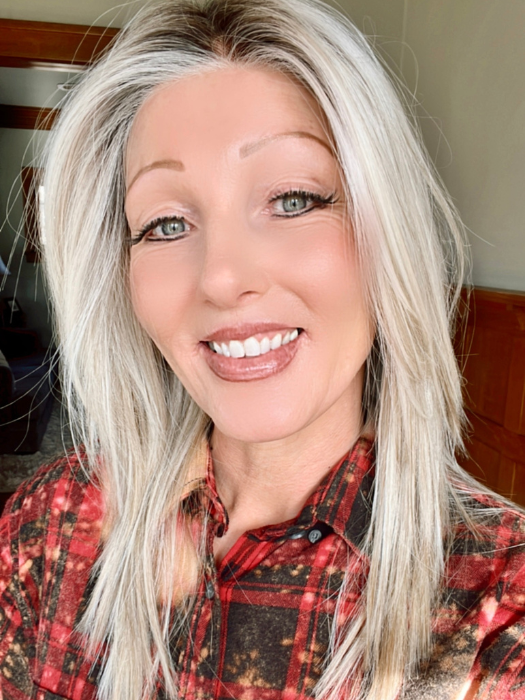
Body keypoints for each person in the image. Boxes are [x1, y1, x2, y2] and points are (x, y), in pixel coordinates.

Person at [1, 0, 524, 698]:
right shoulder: (49, 524)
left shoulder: (499, 602)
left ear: (388, 230)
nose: (222, 278)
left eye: (293, 199)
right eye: (166, 223)